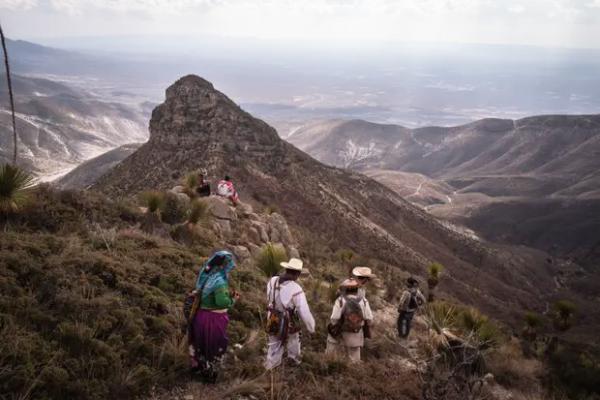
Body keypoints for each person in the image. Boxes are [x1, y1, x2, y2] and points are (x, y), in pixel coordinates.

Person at [189, 251, 239, 383]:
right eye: (229, 266)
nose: (230, 269)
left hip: (201, 317)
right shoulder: (219, 282)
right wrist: (233, 300)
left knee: (202, 344)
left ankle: (199, 369)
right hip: (213, 320)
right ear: (224, 266)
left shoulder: (207, 276)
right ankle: (210, 376)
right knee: (214, 346)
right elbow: (221, 302)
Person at [265, 258, 315, 370]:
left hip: (272, 316)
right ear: (297, 274)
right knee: (294, 341)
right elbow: (304, 312)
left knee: (273, 344)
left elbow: (269, 297)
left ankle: (270, 368)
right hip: (287, 321)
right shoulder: (296, 289)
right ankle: (293, 363)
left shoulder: (273, 281)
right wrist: (311, 328)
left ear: (286, 269)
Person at [325, 279, 373, 362]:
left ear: (345, 289)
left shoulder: (340, 300)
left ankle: (330, 362)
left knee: (333, 353)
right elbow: (369, 319)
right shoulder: (364, 301)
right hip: (356, 336)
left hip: (341, 334)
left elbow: (334, 318)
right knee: (354, 361)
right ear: (357, 289)